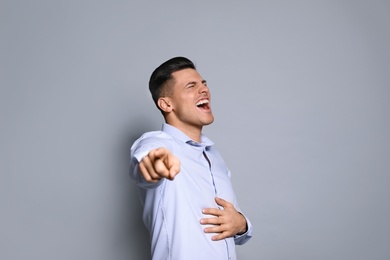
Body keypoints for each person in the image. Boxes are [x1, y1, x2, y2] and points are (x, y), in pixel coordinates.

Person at [129, 57, 252, 260]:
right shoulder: (157, 143)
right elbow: (146, 162)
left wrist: (241, 224)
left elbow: (234, 228)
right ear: (167, 104)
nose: (204, 90)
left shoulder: (215, 157)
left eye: (204, 84)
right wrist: (153, 165)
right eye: (191, 86)